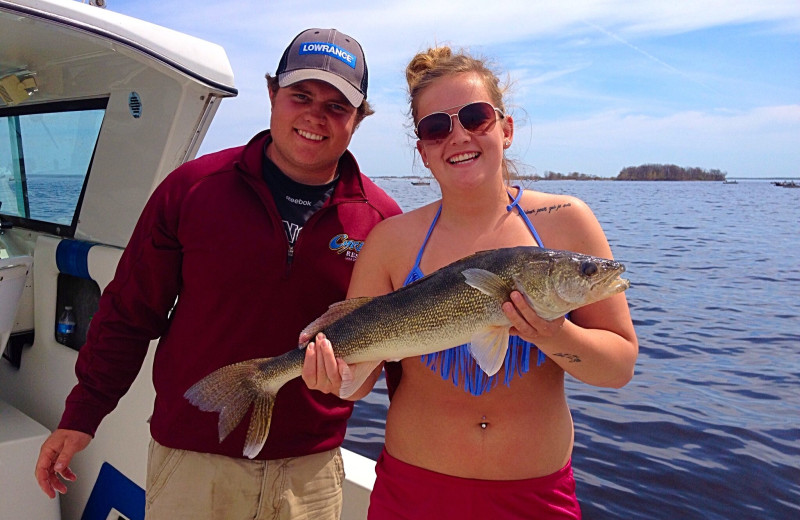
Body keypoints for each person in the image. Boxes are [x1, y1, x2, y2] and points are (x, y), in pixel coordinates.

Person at [34, 28, 401, 519]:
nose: (316, 115)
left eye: (338, 106)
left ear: (358, 118)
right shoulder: (192, 190)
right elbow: (128, 312)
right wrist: (82, 415)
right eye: (301, 96)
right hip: (192, 460)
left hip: (310, 473)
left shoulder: (382, 220)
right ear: (272, 95)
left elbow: (404, 355)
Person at [302, 46, 638, 519]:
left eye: (476, 117)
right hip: (412, 494)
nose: (457, 136)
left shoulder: (566, 222)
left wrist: (554, 332)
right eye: (435, 127)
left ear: (506, 127)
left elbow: (619, 367)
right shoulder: (392, 240)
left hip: (536, 499)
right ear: (421, 150)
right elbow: (360, 381)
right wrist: (336, 379)